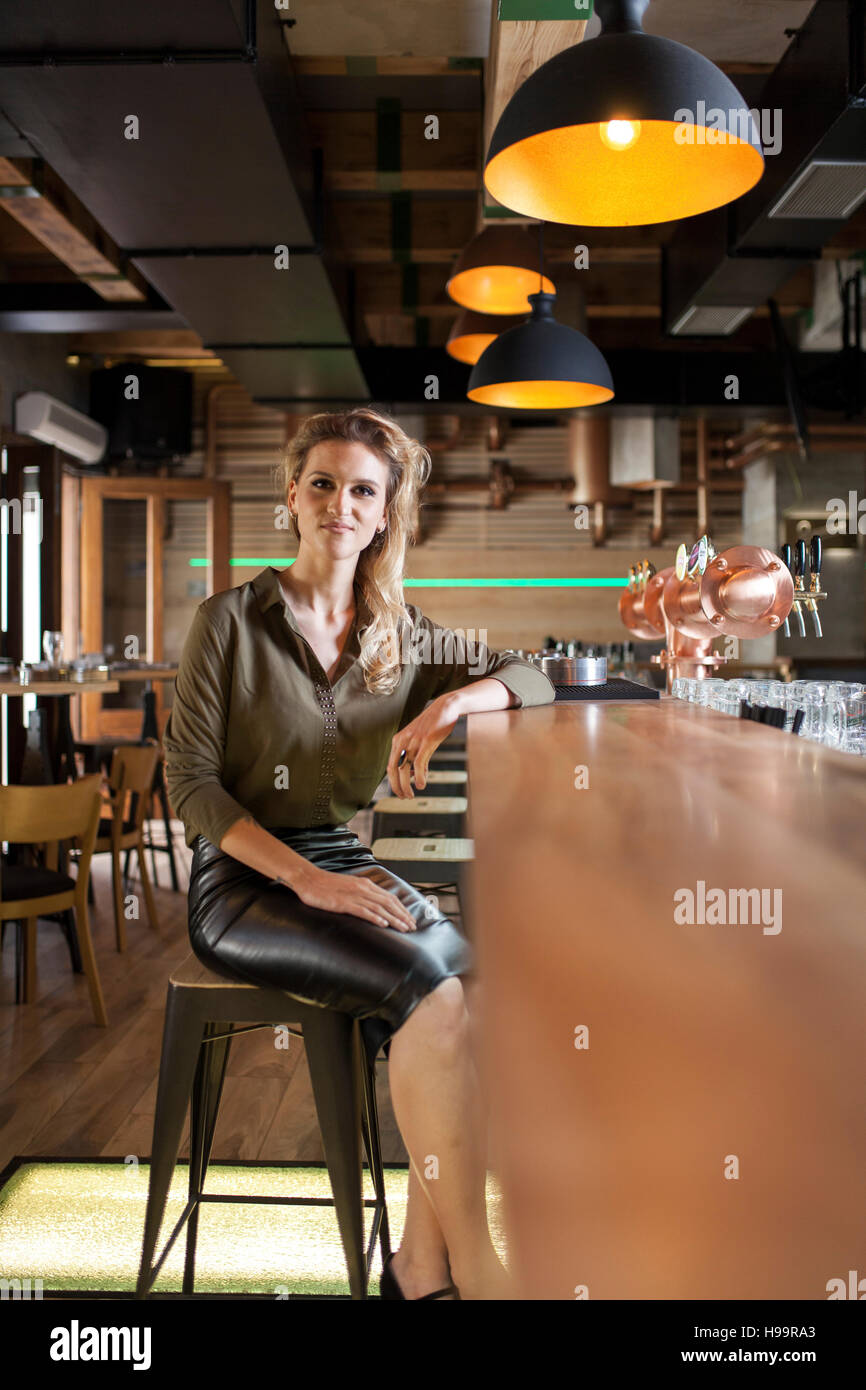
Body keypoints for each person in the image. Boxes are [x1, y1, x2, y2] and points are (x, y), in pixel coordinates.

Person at [162, 406, 555, 1300]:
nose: (341, 504)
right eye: (324, 484)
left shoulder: (402, 635)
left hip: (340, 857)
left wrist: (451, 704)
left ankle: (419, 1266)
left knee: (477, 993)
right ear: (294, 498)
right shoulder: (227, 621)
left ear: (385, 515)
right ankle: (477, 1269)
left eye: (363, 491)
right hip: (244, 880)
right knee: (437, 993)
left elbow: (532, 673)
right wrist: (310, 880)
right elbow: (188, 786)